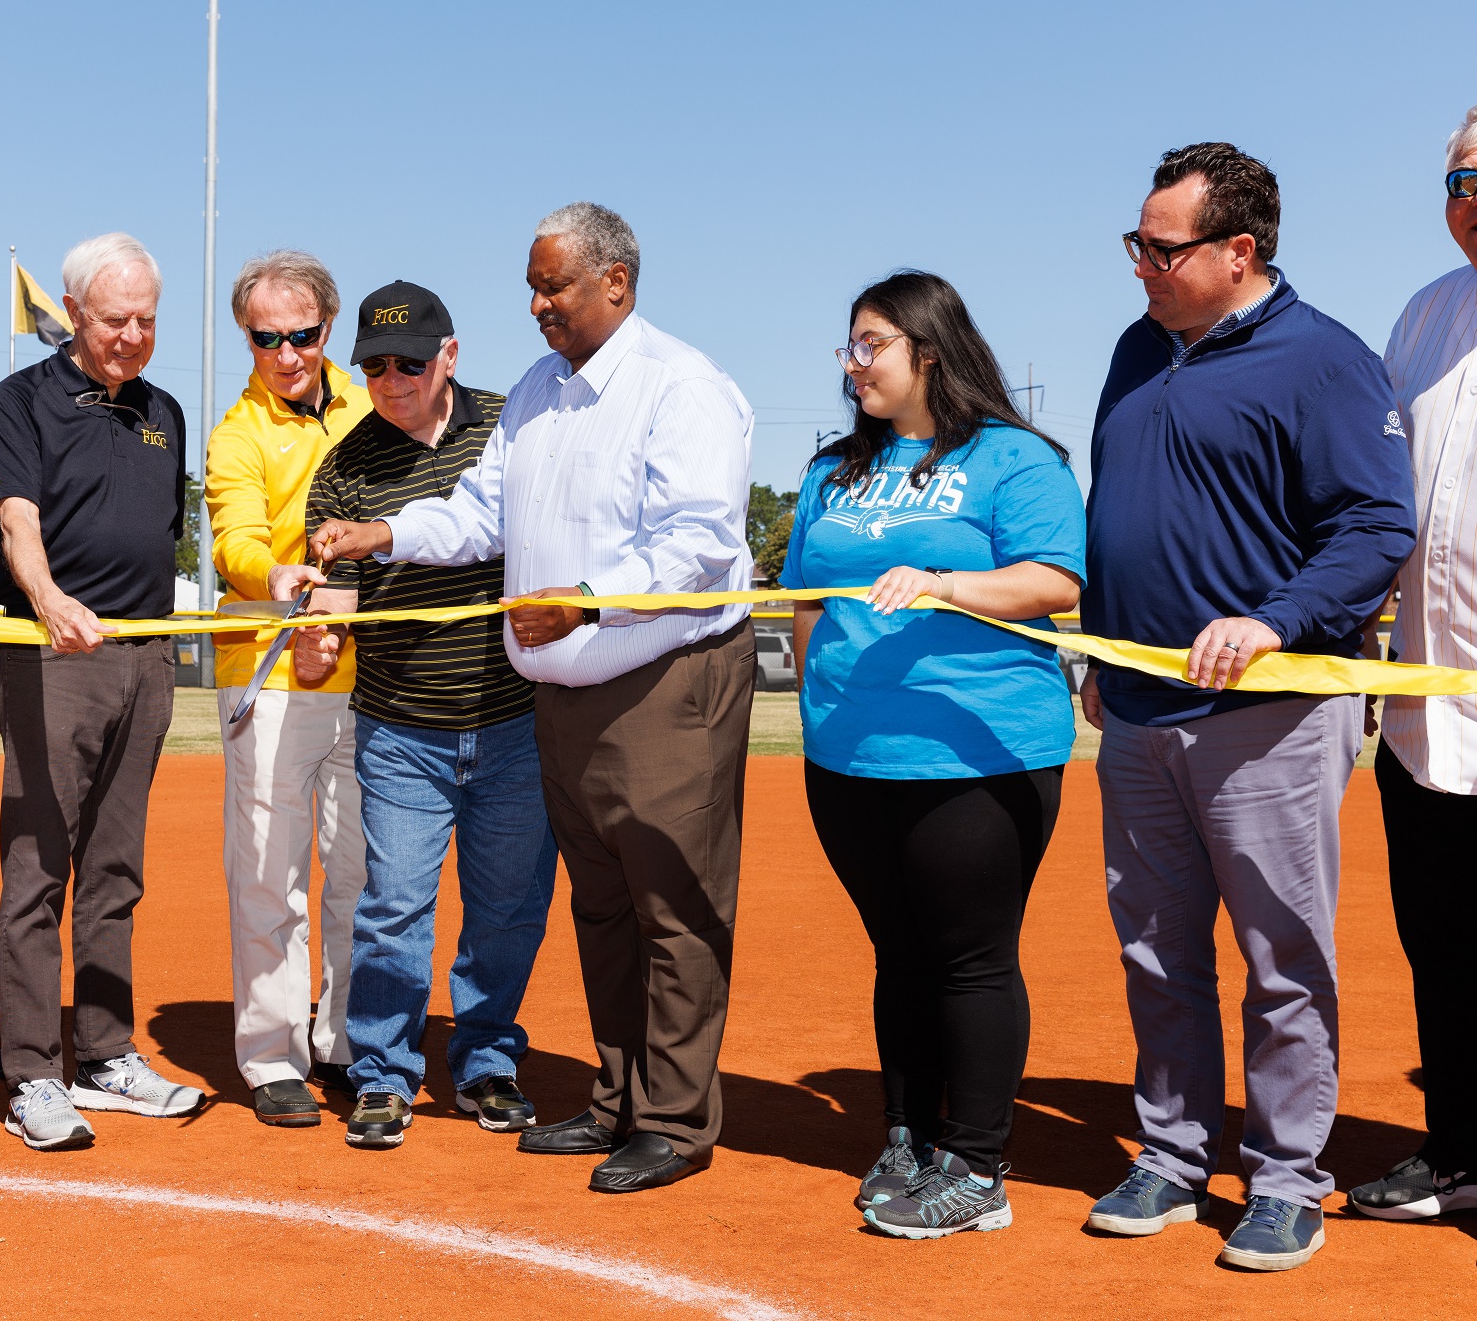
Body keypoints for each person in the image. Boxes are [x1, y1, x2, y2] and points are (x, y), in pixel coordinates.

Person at [311, 203, 755, 1193]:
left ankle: (674, 1122)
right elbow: (480, 513)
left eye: (553, 285)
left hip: (662, 687)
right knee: (603, 910)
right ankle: (618, 1098)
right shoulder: (536, 391)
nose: (536, 303)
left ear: (616, 283)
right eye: (531, 286)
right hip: (561, 701)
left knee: (672, 912)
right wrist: (384, 535)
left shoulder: (681, 386)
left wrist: (587, 601)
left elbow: (700, 542)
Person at [1078, 144, 1415, 1271]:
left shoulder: (1323, 359)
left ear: (1238, 250)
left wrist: (1275, 620)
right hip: (1137, 708)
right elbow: (1120, 505)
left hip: (1267, 714)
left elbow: (1374, 526)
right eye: (1135, 243)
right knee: (1155, 952)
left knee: (1281, 958)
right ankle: (1172, 1155)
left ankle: (1284, 1178)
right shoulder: (1136, 349)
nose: (1141, 266)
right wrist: (1101, 641)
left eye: (1161, 248)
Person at [782, 271, 1084, 1236]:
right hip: (848, 756)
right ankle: (908, 1136)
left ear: (930, 349)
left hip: (977, 752)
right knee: (899, 954)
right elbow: (805, 600)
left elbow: (1056, 582)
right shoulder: (833, 471)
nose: (853, 363)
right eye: (849, 345)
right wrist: (819, 701)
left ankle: (978, 1165)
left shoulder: (1014, 459)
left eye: (870, 344)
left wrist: (946, 583)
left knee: (969, 958)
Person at [286, 281, 557, 1148]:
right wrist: (317, 639)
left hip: (518, 721)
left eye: (409, 363)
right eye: (373, 367)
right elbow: (331, 605)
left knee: (508, 908)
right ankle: (382, 1073)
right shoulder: (346, 466)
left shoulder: (513, 426)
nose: (391, 380)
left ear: (450, 356)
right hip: (401, 728)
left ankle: (486, 1059)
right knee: (394, 908)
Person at [0, 232, 202, 1151]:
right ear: (73, 313)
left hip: (146, 659)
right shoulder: (20, 399)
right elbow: (16, 518)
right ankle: (32, 1072)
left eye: (148, 319)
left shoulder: (164, 411)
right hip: (54, 655)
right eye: (116, 320)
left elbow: (161, 529)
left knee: (115, 870)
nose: (134, 336)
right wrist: (50, 600)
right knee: (38, 868)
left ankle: (105, 1055)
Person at [204, 250, 372, 1126]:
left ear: (327, 327)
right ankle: (271, 1056)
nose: (286, 354)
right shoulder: (235, 432)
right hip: (270, 681)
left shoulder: (374, 405)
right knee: (271, 875)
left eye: (301, 335)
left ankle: (343, 1041)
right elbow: (232, 532)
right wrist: (269, 573)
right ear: (248, 338)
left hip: (371, 679)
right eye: (265, 338)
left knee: (360, 874)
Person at [1350, 105, 1477, 1222]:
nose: (1470, 200)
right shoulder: (1425, 314)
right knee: (1441, 945)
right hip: (1425, 715)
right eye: (1457, 181)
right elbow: (1379, 498)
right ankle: (1457, 1149)